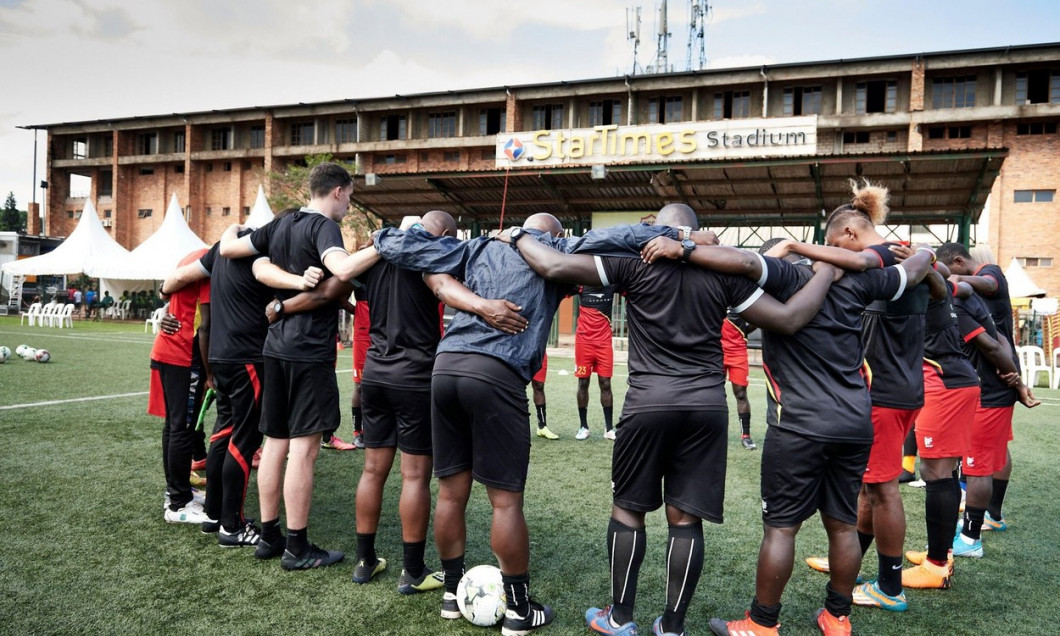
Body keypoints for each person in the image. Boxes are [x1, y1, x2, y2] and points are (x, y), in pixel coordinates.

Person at [511, 204, 836, 636]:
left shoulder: (634, 260)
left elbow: (551, 264)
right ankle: (673, 625)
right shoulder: (723, 271)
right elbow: (789, 319)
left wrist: (516, 236)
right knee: (685, 520)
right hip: (705, 406)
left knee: (628, 511)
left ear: (662, 228)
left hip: (649, 403)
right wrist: (827, 273)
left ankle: (621, 618)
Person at [375, 212, 685, 636]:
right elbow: (622, 236)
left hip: (444, 370)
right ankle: (520, 611)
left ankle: (451, 594)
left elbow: (395, 243)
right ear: (554, 235)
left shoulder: (476, 246)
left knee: (450, 491)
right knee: (505, 502)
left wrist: (383, 233)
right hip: (495, 373)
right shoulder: (555, 249)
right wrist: (677, 235)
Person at [639, 234, 933, 636]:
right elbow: (914, 271)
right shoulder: (860, 281)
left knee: (781, 529)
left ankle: (762, 624)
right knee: (844, 526)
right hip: (854, 422)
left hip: (799, 426)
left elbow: (742, 264)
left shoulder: (785, 277)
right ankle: (837, 618)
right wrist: (927, 253)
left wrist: (686, 249)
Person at [346, 210, 531, 595]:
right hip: (414, 377)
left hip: (375, 373)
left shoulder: (377, 256)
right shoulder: (434, 257)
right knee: (414, 477)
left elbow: (337, 284)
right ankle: (412, 570)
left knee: (371, 471)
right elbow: (447, 288)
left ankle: (365, 561)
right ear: (445, 233)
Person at [218, 161, 383, 570]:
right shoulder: (324, 226)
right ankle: (296, 547)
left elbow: (232, 251)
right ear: (339, 192)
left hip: (274, 347)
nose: (348, 206)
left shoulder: (282, 222)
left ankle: (269, 537)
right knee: (304, 451)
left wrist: (231, 230)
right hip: (308, 352)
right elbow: (342, 270)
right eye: (349, 198)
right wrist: (383, 245)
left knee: (274, 444)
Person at [784, 181, 929, 612]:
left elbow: (858, 259)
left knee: (883, 490)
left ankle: (889, 587)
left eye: (833, 247)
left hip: (885, 390)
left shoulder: (883, 255)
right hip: (901, 386)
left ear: (848, 234)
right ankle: (850, 562)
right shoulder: (908, 255)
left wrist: (796, 247)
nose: (835, 257)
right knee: (869, 489)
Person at [160, 210, 303, 548]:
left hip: (220, 358)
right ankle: (232, 526)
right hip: (248, 358)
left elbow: (177, 278)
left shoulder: (218, 252)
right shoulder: (258, 254)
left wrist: (164, 296)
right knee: (244, 440)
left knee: (222, 433)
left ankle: (213, 515)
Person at [897, 270, 981, 589]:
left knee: (936, 472)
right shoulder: (938, 288)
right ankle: (942, 554)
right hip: (952, 382)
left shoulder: (930, 285)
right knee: (943, 471)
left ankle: (936, 566)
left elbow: (938, 273)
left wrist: (920, 260)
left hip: (944, 384)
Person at [937, 242, 1022, 533]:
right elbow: (999, 339)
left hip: (992, 386)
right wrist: (1015, 374)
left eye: (950, 271)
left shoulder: (990, 273)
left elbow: (987, 283)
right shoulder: (971, 303)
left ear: (959, 262)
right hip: (1000, 377)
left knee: (978, 464)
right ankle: (993, 515)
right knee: (995, 452)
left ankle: (970, 537)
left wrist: (956, 281)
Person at [148, 248, 212, 525]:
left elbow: (170, 290)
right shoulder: (211, 262)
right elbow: (206, 326)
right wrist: (210, 373)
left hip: (169, 351)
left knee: (175, 427)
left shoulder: (197, 256)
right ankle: (178, 503)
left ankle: (178, 491)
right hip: (183, 354)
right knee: (181, 428)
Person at [573, 285, 617, 441]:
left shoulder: (611, 284)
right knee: (583, 382)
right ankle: (583, 427)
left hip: (604, 342)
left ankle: (609, 428)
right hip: (584, 342)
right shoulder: (580, 284)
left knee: (605, 383)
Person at [722, 313, 757, 450]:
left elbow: (756, 320)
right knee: (715, 393)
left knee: (741, 394)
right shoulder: (715, 295)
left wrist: (743, 331)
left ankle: (746, 437)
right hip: (716, 350)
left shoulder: (739, 298)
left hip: (738, 351)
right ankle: (715, 434)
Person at [532, 354, 556, 439]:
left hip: (539, 352)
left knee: (539, 385)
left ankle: (542, 426)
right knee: (516, 386)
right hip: (519, 350)